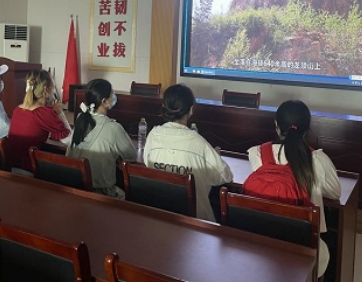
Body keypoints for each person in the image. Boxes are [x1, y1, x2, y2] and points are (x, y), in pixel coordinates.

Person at [245, 99, 341, 278]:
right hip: (302, 247)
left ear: (276, 125)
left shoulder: (256, 153)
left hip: (259, 241)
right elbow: (335, 193)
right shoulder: (317, 160)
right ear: (307, 129)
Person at [143, 84, 233, 221]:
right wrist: (216, 157)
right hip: (195, 224)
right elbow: (225, 176)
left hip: (159, 218)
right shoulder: (198, 143)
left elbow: (147, 162)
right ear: (191, 109)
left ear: (164, 106)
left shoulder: (153, 135)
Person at [66, 79, 136, 198]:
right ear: (104, 101)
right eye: (112, 94)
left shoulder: (80, 119)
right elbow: (131, 155)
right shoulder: (113, 127)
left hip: (76, 188)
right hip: (102, 193)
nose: (114, 96)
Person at [8, 70, 72, 171]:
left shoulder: (18, 109)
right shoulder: (42, 113)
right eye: (53, 83)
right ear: (46, 89)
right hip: (28, 167)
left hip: (12, 165)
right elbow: (68, 139)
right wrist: (60, 112)